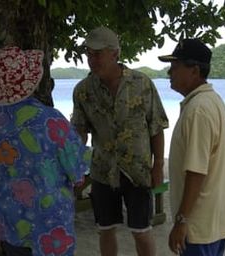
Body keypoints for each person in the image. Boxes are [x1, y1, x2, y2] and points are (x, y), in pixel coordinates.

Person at [0, 46, 89, 256]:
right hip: (52, 229)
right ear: (32, 81)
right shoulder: (52, 121)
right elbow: (78, 173)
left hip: (7, 226)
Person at [71, 26, 169, 256]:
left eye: (97, 54)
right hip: (102, 171)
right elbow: (80, 132)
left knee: (141, 230)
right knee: (105, 229)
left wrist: (158, 167)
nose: (91, 59)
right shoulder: (83, 90)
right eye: (88, 54)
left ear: (115, 54)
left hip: (137, 171)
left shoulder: (142, 84)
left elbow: (156, 128)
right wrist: (71, 161)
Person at [158, 39, 225, 256]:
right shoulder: (212, 101)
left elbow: (196, 171)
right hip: (214, 222)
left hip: (199, 225)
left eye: (175, 66)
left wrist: (181, 221)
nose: (169, 72)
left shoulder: (198, 110)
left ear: (194, 71)